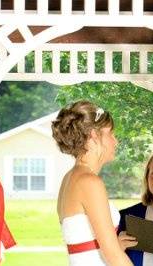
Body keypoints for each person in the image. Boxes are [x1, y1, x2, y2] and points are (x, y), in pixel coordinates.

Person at [52, 100, 134, 266]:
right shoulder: (89, 182)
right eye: (111, 134)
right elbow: (113, 257)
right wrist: (115, 250)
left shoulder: (70, 178)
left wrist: (116, 245)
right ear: (94, 136)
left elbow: (83, 247)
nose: (115, 141)